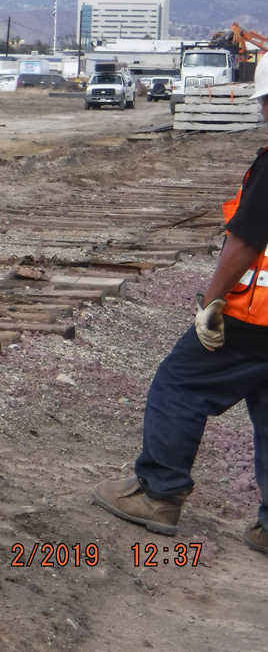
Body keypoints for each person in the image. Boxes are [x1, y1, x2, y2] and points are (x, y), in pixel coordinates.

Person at [91, 56, 268, 553]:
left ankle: (159, 493)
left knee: (180, 384)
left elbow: (246, 242)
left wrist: (211, 301)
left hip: (255, 319)